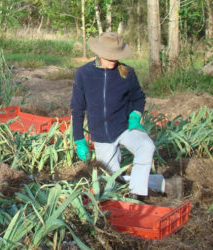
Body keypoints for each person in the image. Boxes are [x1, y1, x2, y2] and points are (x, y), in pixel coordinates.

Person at [70, 32, 172, 199]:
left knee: (146, 146)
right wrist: (79, 139)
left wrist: (135, 116)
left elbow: (139, 98)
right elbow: (77, 108)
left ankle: (136, 195)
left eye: (116, 56)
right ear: (100, 53)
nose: (113, 60)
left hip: (125, 127)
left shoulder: (127, 73)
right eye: (109, 56)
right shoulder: (84, 74)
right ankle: (161, 183)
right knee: (111, 182)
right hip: (101, 135)